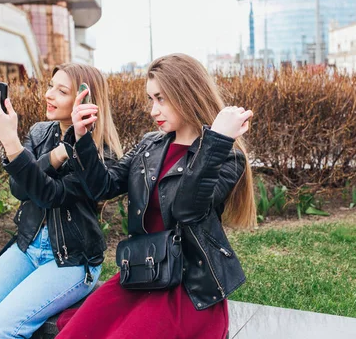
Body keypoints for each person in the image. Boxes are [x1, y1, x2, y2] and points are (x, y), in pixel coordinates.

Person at [56, 53, 256, 339]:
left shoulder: (225, 158)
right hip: (141, 271)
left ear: (186, 94)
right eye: (151, 99)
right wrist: (82, 137)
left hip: (187, 287)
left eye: (161, 98)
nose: (153, 110)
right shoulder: (151, 145)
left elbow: (186, 210)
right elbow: (104, 186)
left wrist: (217, 142)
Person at [0, 64, 123, 339]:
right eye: (51, 86)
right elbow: (19, 189)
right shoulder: (40, 132)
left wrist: (11, 142)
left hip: (71, 261)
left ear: (84, 100)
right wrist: (55, 155)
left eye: (61, 90)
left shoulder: (99, 153)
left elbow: (50, 195)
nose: (49, 94)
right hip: (27, 248)